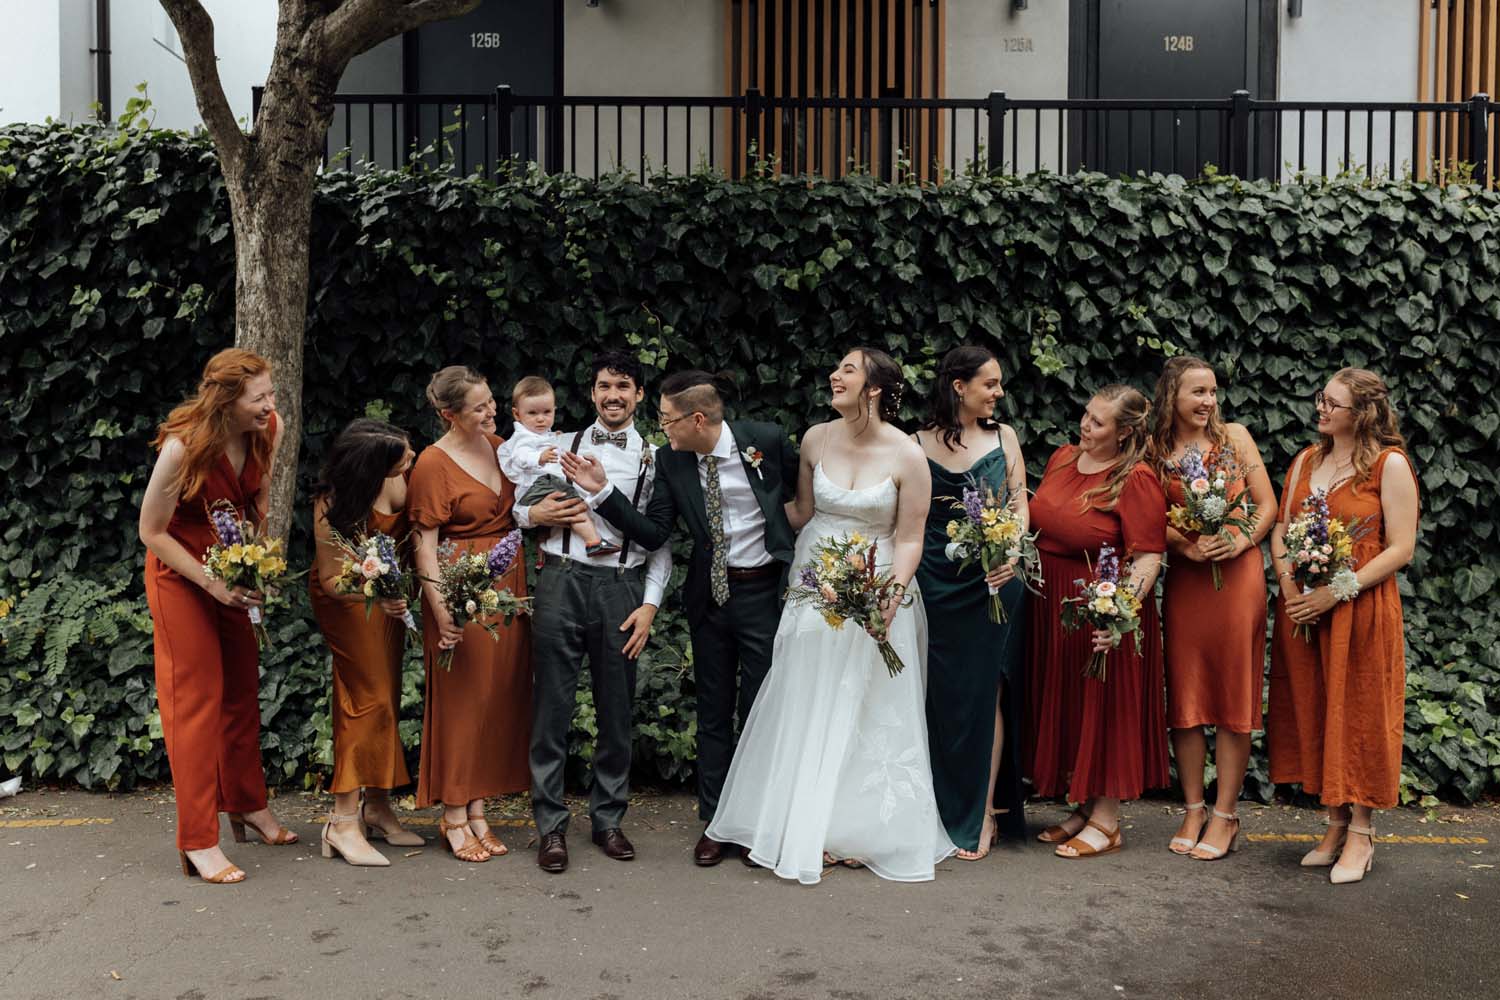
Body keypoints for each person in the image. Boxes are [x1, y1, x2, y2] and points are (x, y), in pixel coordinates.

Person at [703, 347, 956, 884]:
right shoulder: (816, 439)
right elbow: (800, 513)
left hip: (879, 584)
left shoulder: (907, 455)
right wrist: (738, 511)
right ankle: (802, 821)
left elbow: (911, 537)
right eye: (837, 368)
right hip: (814, 584)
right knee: (809, 692)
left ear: (874, 389)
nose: (834, 376)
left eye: (848, 370)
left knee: (868, 702)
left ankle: (859, 830)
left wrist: (891, 594)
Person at [563, 370, 799, 867]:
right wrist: (603, 493)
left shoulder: (766, 440)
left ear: (698, 420)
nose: (662, 428)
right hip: (710, 599)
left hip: (763, 594)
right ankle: (715, 823)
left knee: (760, 712)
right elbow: (654, 534)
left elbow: (801, 501)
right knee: (712, 713)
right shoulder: (672, 461)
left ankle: (753, 823)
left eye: (668, 420)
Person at [139, 347, 296, 884]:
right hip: (180, 576)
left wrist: (257, 568)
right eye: (259, 397)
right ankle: (198, 840)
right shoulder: (181, 448)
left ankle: (247, 804)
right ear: (226, 401)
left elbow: (258, 504)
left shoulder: (267, 428)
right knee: (196, 701)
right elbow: (151, 531)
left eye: (271, 393)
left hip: (233, 571)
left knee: (241, 690)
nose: (270, 405)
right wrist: (210, 582)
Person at [1267, 369, 1419, 884]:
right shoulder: (1306, 461)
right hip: (1306, 608)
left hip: (1361, 608)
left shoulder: (1388, 464)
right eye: (1322, 399)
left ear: (1363, 413)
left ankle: (1361, 832)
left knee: (1360, 714)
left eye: (1334, 404)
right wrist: (1290, 586)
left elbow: (1401, 548)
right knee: (1316, 708)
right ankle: (1333, 824)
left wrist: (1337, 590)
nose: (1322, 409)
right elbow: (1282, 529)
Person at [522, 352, 671, 873]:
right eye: (605, 385)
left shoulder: (655, 458)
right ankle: (550, 827)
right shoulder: (559, 444)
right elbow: (520, 504)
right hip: (560, 580)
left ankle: (608, 820)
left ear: (639, 395)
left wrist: (650, 604)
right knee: (551, 708)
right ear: (592, 393)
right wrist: (533, 513)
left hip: (620, 588)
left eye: (623, 386)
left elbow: (660, 542)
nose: (613, 395)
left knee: (616, 708)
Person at [1024, 384, 1169, 859]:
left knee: (1103, 707)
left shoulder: (1136, 478)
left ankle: (1107, 821)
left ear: (1123, 432)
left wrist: (1119, 612)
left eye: (1098, 422)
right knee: (1074, 705)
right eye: (1086, 414)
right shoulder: (1063, 458)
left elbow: (1147, 557)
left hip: (1101, 607)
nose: (1085, 425)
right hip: (1055, 605)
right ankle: (1085, 808)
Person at [1149, 357, 1278, 860]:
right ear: (1172, 396)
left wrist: (1239, 539)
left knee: (1232, 694)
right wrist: (1184, 544)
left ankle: (1225, 814)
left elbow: (1267, 505)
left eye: (1212, 392)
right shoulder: (1155, 450)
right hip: (1188, 579)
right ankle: (1192, 808)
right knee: (1186, 694)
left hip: (1238, 578)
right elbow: (1146, 516)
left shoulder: (1236, 439)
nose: (1208, 401)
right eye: (1197, 392)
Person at [408, 366, 534, 863]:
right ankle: (454, 813)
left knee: (495, 698)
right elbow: (424, 545)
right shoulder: (431, 463)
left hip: (507, 585)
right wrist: (441, 610)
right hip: (460, 587)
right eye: (479, 407)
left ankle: (479, 808)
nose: (491, 411)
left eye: (490, 402)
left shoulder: (501, 446)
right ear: (449, 414)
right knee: (463, 701)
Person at [912, 346, 1030, 860]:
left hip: (994, 581)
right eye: (990, 383)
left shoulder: (1005, 437)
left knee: (987, 693)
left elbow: (1019, 503)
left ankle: (983, 812)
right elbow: (909, 519)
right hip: (934, 582)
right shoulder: (914, 444)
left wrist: (1010, 549)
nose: (999, 392)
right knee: (935, 694)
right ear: (959, 386)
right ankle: (933, 807)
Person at [308, 418, 426, 867]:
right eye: (403, 456)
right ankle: (341, 821)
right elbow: (332, 579)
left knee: (387, 696)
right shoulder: (331, 501)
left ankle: (377, 807)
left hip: (388, 600)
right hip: (347, 601)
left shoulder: (400, 478)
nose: (412, 458)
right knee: (367, 699)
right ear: (372, 466)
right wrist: (379, 592)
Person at [498, 376, 619, 557]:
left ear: (554, 410)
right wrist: (539, 457)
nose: (541, 419)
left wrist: (553, 437)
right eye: (532, 413)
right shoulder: (522, 437)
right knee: (575, 506)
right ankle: (593, 542)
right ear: (517, 414)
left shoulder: (541, 434)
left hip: (542, 485)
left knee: (575, 504)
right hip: (537, 486)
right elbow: (520, 456)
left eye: (547, 412)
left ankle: (592, 540)